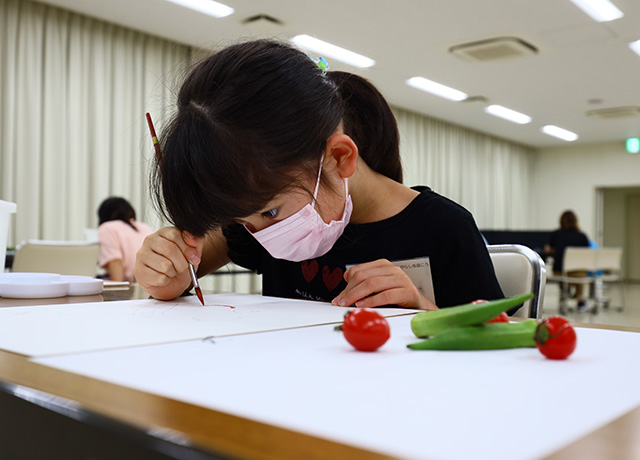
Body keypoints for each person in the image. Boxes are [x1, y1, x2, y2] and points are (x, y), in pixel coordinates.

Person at [134, 39, 504, 310]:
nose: (262, 236)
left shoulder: (443, 228)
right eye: (241, 220)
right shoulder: (255, 227)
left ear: (340, 157)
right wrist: (170, 273)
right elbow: (188, 265)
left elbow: (504, 350)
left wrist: (423, 310)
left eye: (272, 212)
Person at [98, 197, 153, 282]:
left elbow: (115, 261)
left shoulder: (107, 228)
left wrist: (116, 286)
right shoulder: (144, 227)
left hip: (127, 285)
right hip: (149, 284)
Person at [544, 210, 591, 310]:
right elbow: (587, 254)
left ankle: (565, 293)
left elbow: (548, 249)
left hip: (559, 272)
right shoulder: (582, 236)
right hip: (577, 272)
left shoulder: (556, 234)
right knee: (581, 272)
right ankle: (580, 300)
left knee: (565, 272)